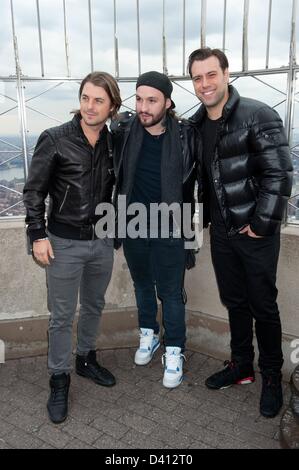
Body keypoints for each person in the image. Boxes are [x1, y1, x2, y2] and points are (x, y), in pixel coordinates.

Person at [187, 47, 293, 417]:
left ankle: (272, 376)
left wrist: (261, 224)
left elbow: (279, 174)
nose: (205, 84)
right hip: (222, 232)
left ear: (226, 73)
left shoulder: (258, 114)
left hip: (255, 232)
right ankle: (242, 365)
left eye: (211, 74)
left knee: (263, 305)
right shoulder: (197, 124)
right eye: (197, 77)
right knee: (234, 302)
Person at [23, 71, 122, 424]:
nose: (90, 106)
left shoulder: (115, 143)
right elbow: (34, 191)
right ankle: (59, 377)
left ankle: (85, 359)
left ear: (112, 106)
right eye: (85, 98)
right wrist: (38, 235)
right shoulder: (55, 139)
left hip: (102, 241)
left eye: (99, 100)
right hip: (63, 241)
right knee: (62, 315)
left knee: (94, 304)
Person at [111, 71, 201, 389]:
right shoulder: (122, 129)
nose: (143, 107)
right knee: (142, 286)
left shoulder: (186, 135)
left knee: (172, 294)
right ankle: (148, 334)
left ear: (168, 102)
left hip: (171, 226)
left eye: (152, 100)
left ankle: (174, 350)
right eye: (138, 99)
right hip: (133, 224)